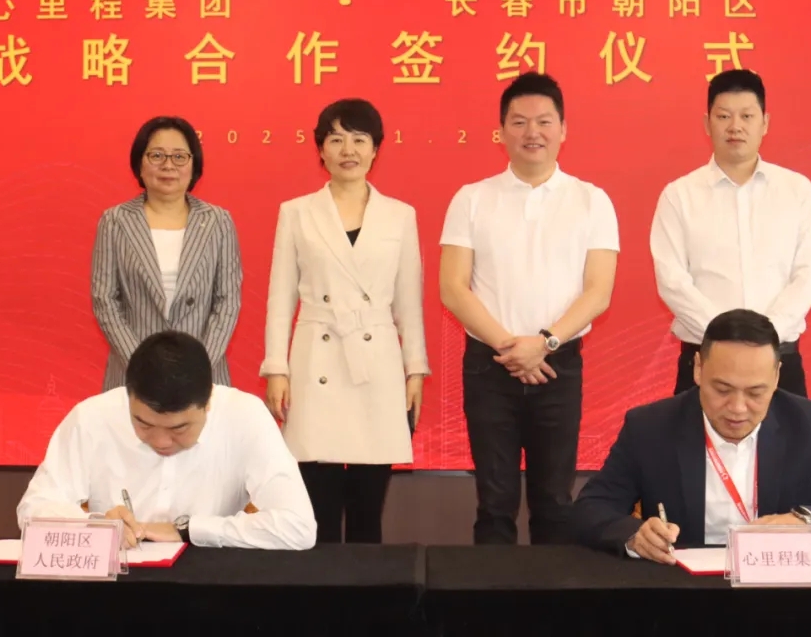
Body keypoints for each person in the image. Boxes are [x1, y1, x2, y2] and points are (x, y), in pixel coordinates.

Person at [439, 72, 619, 545]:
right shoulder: (472, 198)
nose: (531, 132)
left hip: (559, 365)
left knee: (555, 502)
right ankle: (491, 595)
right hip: (489, 366)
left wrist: (544, 343)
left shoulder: (592, 200)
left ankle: (549, 596)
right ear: (501, 131)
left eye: (543, 121)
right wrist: (511, 347)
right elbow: (453, 288)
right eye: (519, 122)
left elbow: (598, 292)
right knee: (494, 502)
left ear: (563, 129)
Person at [568, 309, 811, 564]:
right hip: (684, 591)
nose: (737, 408)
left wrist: (804, 522)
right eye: (722, 389)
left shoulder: (805, 424)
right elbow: (590, 508)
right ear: (698, 369)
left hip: (777, 591)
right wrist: (635, 535)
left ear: (776, 377)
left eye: (755, 392)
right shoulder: (651, 427)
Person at [260, 98, 429, 544]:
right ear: (320, 149)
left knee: (369, 509)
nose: (348, 150)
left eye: (359, 139)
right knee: (319, 506)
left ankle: (369, 586)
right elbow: (280, 297)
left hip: (377, 363)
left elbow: (408, 302)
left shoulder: (400, 215)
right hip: (317, 355)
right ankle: (322, 586)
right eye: (336, 139)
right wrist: (276, 367)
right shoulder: (296, 212)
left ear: (376, 149)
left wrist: (415, 369)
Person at [17, 331, 316, 550]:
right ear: (128, 396)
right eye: (143, 424)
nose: (160, 441)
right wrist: (97, 526)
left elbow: (298, 526)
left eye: (179, 428)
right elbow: (34, 508)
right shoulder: (91, 417)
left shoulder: (245, 416)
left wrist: (188, 530)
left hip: (208, 587)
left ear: (207, 403)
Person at [650, 69, 811, 398]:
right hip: (703, 361)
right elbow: (672, 280)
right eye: (723, 116)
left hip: (780, 359)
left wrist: (766, 334)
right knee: (693, 435)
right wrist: (724, 338)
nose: (735, 126)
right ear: (707, 124)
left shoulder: (797, 191)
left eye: (747, 116)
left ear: (765, 123)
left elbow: (809, 272)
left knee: (789, 435)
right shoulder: (679, 196)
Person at [91, 116, 242, 392]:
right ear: (140, 163)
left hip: (202, 376)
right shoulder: (114, 221)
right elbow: (105, 300)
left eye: (179, 156)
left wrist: (198, 367)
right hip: (132, 372)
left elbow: (227, 302)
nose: (168, 165)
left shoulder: (218, 222)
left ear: (194, 165)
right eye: (157, 155)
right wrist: (143, 365)